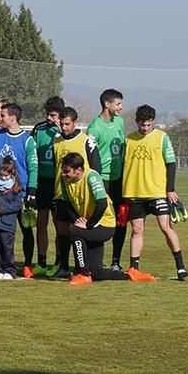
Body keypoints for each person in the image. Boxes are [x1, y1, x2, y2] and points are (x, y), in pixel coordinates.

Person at [122, 104, 188, 281]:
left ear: (153, 122)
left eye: (148, 125)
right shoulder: (129, 140)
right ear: (137, 122)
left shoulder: (162, 138)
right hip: (135, 193)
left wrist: (170, 189)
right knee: (137, 230)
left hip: (157, 192)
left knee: (166, 228)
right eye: (142, 125)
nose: (145, 128)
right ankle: (134, 269)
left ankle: (180, 267)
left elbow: (171, 163)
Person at [0, 102, 39, 278]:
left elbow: (33, 167)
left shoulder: (27, 140)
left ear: (12, 118)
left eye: (2, 115)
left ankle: (27, 265)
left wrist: (32, 191)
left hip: (19, 193)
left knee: (25, 229)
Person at [58, 153, 133, 285]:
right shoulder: (64, 180)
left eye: (67, 171)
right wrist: (79, 220)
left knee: (74, 231)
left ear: (78, 170)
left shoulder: (92, 176)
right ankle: (129, 276)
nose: (64, 174)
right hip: (90, 223)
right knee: (97, 272)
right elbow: (66, 204)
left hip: (105, 224)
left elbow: (102, 204)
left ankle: (83, 273)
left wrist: (89, 224)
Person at [49, 106, 101, 279]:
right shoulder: (56, 141)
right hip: (61, 195)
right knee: (62, 233)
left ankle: (85, 267)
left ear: (75, 123)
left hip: (80, 197)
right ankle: (64, 266)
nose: (64, 128)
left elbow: (96, 169)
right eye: (62, 124)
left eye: (67, 124)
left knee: (80, 230)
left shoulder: (87, 141)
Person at [86, 89, 128, 270]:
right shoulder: (94, 128)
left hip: (119, 180)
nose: (121, 107)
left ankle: (116, 261)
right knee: (100, 220)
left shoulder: (120, 122)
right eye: (118, 104)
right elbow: (91, 155)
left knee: (122, 219)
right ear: (107, 104)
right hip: (102, 181)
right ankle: (96, 262)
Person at [31, 97, 65, 277]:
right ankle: (42, 261)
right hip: (41, 182)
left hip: (58, 183)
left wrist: (61, 133)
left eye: (53, 115)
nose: (49, 118)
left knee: (60, 225)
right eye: (48, 114)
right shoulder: (39, 129)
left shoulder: (64, 132)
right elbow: (31, 154)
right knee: (41, 223)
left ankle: (60, 262)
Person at [0, 158, 25, 280]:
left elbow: (17, 205)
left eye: (7, 176)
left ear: (12, 173)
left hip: (7, 224)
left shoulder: (16, 186)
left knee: (7, 248)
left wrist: (3, 209)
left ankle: (10, 270)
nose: (4, 178)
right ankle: (0, 268)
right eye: (2, 175)